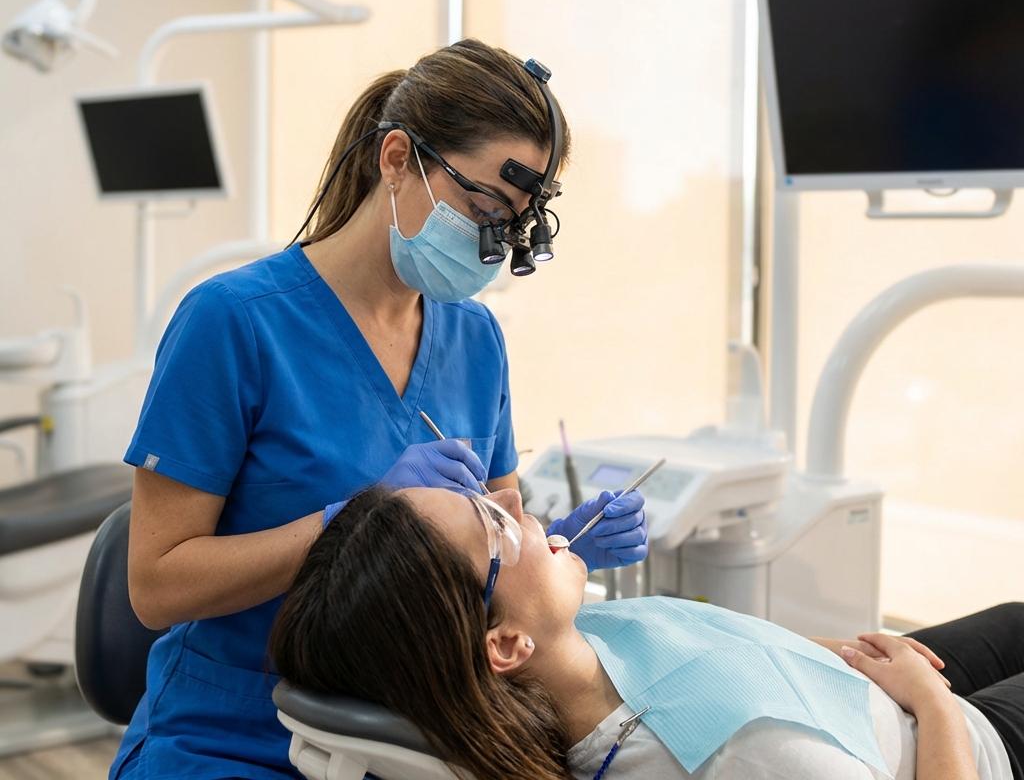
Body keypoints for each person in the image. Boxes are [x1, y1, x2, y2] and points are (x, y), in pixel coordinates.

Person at [111, 40, 649, 780]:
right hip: (236, 731)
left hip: (416, 730)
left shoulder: (476, 338)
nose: (493, 243)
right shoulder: (233, 322)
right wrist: (351, 517)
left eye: (515, 224)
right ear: (397, 157)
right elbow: (156, 588)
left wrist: (554, 552)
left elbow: (492, 536)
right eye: (483, 206)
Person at [270, 484, 1024, 780]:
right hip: (955, 744)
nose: (518, 500)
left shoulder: (576, 646)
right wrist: (925, 698)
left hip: (855, 689)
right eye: (496, 521)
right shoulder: (733, 757)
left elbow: (710, 642)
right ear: (504, 644)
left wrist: (829, 654)